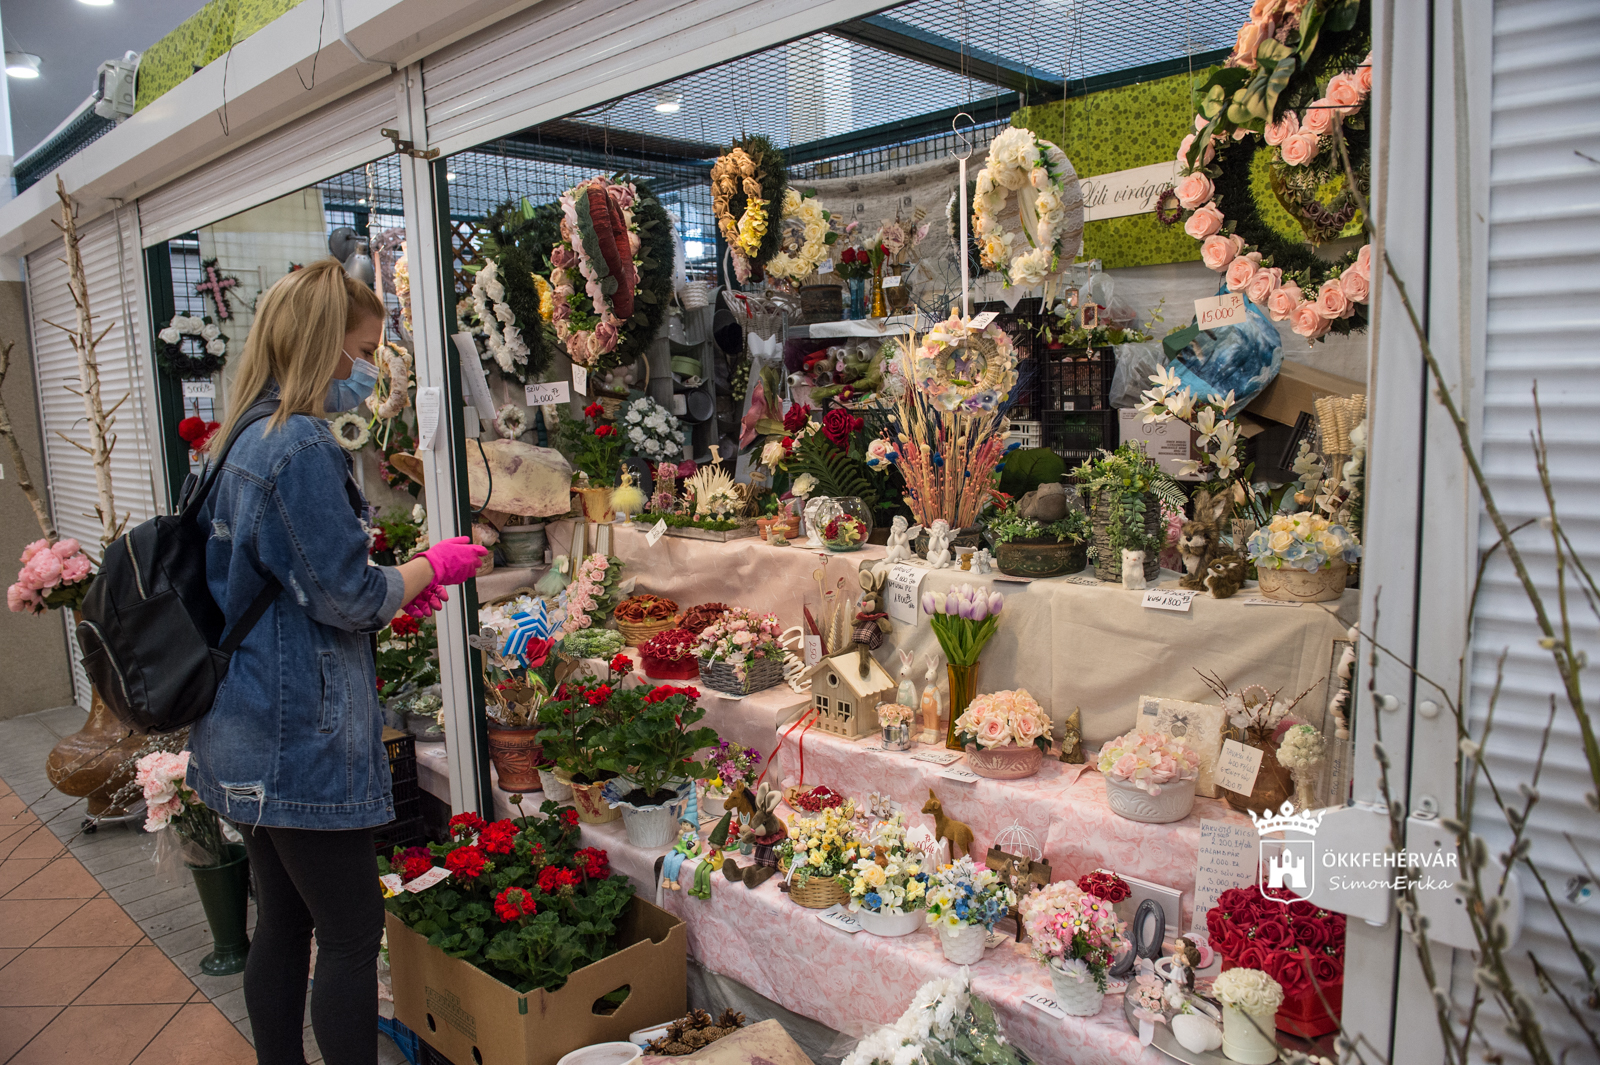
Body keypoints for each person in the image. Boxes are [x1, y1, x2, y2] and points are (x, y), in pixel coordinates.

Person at [187, 259, 486, 1065]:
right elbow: (347, 596)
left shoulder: (239, 436)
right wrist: (430, 567)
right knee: (353, 934)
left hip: (244, 724)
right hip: (298, 737)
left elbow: (291, 583)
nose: (365, 371)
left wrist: (393, 591)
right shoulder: (298, 444)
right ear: (323, 345)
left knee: (283, 922)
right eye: (361, 352)